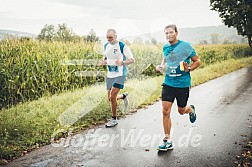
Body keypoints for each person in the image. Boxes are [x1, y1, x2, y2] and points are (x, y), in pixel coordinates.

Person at [156, 24, 200, 151]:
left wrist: (190, 68)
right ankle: (167, 140)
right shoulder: (165, 47)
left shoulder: (185, 46)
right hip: (168, 83)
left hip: (182, 84)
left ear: (176, 33)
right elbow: (165, 59)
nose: (168, 35)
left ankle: (190, 110)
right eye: (166, 33)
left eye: (171, 32)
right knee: (165, 111)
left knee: (181, 111)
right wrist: (161, 66)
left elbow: (197, 61)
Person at [99, 28, 134, 128]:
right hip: (110, 74)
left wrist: (122, 62)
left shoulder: (122, 46)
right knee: (110, 98)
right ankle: (123, 96)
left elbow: (132, 60)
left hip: (120, 74)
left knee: (113, 95)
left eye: (111, 37)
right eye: (107, 38)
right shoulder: (106, 45)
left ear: (115, 36)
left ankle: (114, 119)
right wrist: (103, 61)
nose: (109, 39)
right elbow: (106, 57)